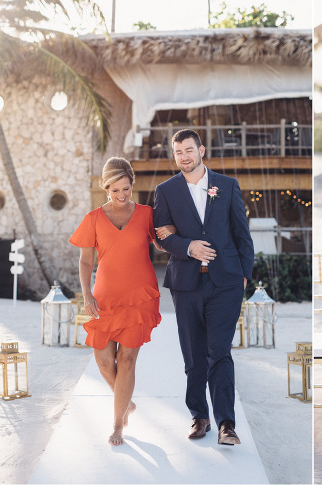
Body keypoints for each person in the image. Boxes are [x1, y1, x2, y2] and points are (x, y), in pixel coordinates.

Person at [153, 129, 254, 446]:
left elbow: (242, 235)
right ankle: (199, 416)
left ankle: (227, 424)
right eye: (178, 152)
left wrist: (243, 277)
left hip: (226, 284)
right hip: (186, 285)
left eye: (188, 150)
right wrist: (188, 247)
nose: (184, 156)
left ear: (202, 150)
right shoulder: (166, 190)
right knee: (194, 355)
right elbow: (161, 235)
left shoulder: (226, 186)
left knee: (219, 352)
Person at [69, 157, 162, 446]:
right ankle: (127, 403)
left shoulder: (147, 214)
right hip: (104, 298)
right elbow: (86, 263)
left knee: (127, 359)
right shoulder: (93, 219)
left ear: (132, 184)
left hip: (140, 296)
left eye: (126, 189)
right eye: (115, 190)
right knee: (104, 360)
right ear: (105, 188)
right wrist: (87, 295)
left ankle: (118, 424)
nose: (122, 196)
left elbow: (164, 243)